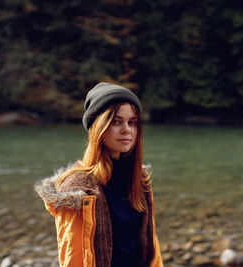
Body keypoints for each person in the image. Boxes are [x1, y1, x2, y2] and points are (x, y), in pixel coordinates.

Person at [35, 82, 163, 267]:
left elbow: (150, 243)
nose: (126, 129)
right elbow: (74, 257)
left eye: (132, 122)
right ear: (99, 128)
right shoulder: (77, 190)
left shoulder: (138, 178)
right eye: (116, 122)